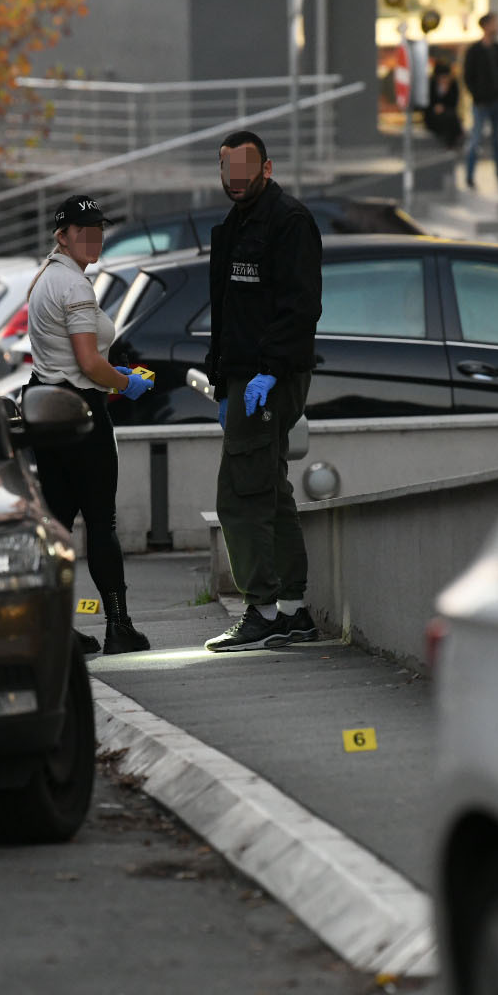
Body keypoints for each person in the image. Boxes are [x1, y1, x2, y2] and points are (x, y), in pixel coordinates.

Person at [203, 131, 323, 653]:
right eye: (228, 171)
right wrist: (220, 379)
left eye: (245, 171)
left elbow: (300, 307)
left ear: (266, 169)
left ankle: (263, 611)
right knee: (270, 490)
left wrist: (270, 372)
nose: (236, 181)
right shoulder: (234, 227)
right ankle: (292, 611)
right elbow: (227, 312)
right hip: (246, 377)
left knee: (240, 493)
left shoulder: (288, 221)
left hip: (268, 377)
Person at [25, 194, 155, 655]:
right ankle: (118, 626)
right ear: (62, 235)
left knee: (58, 525)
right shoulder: (77, 288)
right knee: (101, 523)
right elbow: (88, 361)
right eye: (83, 230)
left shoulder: (44, 277)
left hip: (45, 410)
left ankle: (53, 630)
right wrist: (125, 382)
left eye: (98, 228)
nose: (93, 237)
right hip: (81, 413)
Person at [462, 13, 498, 190]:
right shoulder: (474, 50)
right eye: (494, 23)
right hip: (481, 103)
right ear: (485, 26)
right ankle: (469, 177)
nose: (496, 26)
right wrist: (478, 95)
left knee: (497, 141)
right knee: (475, 140)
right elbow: (468, 77)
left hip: (497, 101)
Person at [424, 57, 464, 151]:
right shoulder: (431, 85)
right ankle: (456, 138)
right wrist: (435, 107)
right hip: (433, 116)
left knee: (449, 117)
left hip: (448, 114)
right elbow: (427, 104)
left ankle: (452, 143)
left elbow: (454, 103)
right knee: (448, 119)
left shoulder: (453, 85)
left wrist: (446, 93)